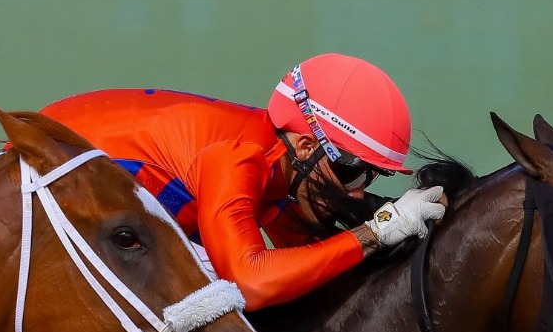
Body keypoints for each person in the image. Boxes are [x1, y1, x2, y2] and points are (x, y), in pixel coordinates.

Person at [40, 53, 445, 312]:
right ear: (305, 146)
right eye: (350, 172)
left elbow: (307, 265)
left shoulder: (278, 162)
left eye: (371, 178)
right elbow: (250, 283)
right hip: (34, 197)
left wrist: (385, 225)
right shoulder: (238, 156)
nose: (356, 191)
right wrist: (375, 232)